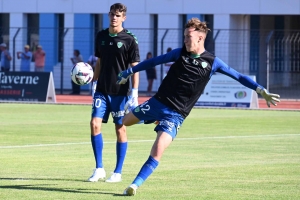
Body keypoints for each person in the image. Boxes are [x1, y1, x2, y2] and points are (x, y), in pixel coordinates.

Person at [117, 17, 281, 196]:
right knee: (125, 121)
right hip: (158, 103)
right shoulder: (179, 53)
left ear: (200, 38)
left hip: (175, 114)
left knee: (158, 149)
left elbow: (238, 76)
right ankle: (150, 119)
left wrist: (260, 90)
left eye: (188, 36)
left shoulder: (213, 62)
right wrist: (129, 71)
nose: (185, 40)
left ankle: (134, 185)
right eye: (185, 36)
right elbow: (154, 61)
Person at [88, 3, 140, 183]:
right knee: (94, 124)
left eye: (118, 15)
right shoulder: (101, 36)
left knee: (120, 128)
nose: (114, 18)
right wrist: (94, 83)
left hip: (120, 92)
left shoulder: (130, 39)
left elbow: (135, 68)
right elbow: (99, 62)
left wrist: (134, 93)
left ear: (123, 18)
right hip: (101, 90)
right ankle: (99, 168)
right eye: (111, 14)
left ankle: (117, 172)